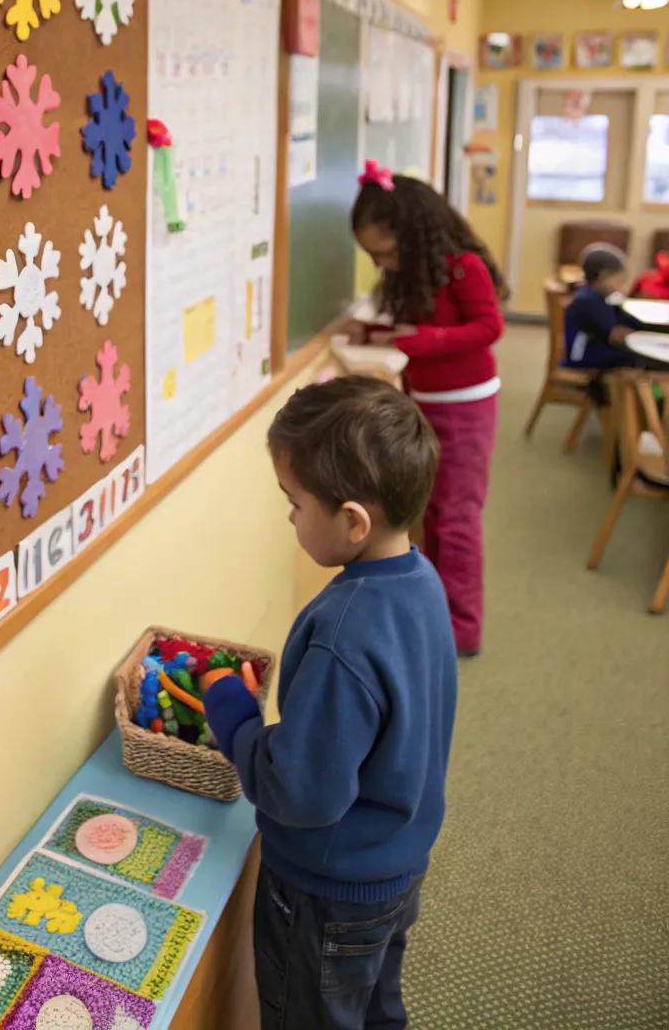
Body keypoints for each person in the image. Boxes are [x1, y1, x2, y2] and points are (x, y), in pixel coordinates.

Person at [202, 376, 455, 1030]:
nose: (289, 518)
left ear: (352, 522)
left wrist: (235, 718)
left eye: (294, 503)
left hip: (326, 893)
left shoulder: (345, 631)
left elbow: (303, 792)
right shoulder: (419, 579)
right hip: (396, 865)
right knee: (375, 1004)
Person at [345, 164, 505, 657]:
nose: (382, 263)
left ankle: (463, 628)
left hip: (466, 405)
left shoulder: (462, 266)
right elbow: (410, 327)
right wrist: (372, 335)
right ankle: (432, 610)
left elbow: (488, 327)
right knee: (426, 510)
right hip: (422, 404)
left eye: (387, 252)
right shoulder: (414, 275)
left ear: (414, 234)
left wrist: (425, 341)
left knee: (455, 516)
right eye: (373, 255)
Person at [563, 245, 642, 370]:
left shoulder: (592, 294)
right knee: (634, 356)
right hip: (580, 356)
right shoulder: (589, 301)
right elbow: (614, 335)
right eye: (619, 279)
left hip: (586, 348)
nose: (621, 284)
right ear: (603, 276)